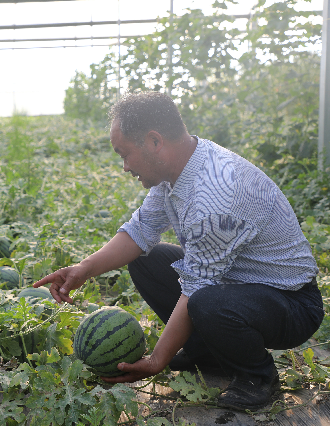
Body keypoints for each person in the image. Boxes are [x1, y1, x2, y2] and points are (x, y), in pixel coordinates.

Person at [34, 92, 323, 411]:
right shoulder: (180, 168)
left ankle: (257, 377)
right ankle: (207, 353)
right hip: (239, 285)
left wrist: (158, 359)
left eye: (125, 154)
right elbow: (139, 231)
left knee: (206, 302)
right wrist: (83, 269)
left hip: (291, 302)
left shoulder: (216, 196)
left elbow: (197, 287)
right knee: (146, 260)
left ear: (154, 141)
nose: (125, 167)